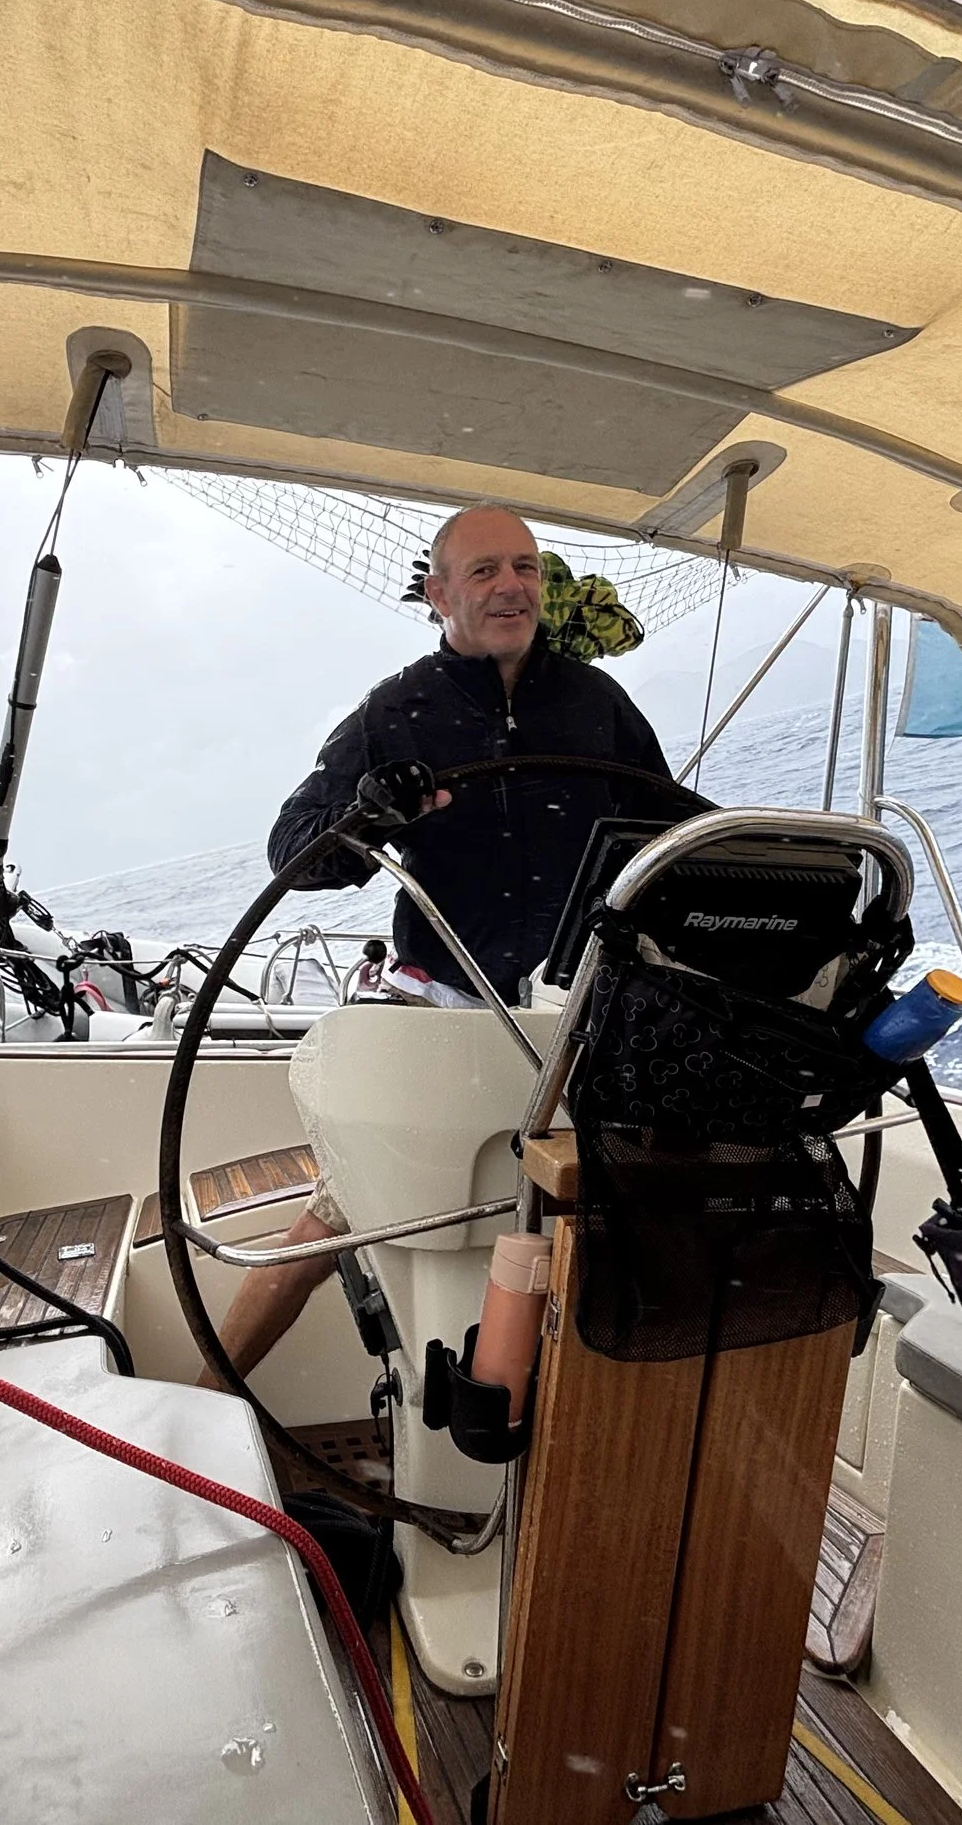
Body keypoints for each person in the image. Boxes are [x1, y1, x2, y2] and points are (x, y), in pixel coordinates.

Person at [206, 504, 672, 1384]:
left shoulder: (596, 702)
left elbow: (668, 829)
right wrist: (370, 815)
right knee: (333, 1219)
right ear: (438, 594)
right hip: (446, 1018)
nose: (511, 586)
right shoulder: (396, 710)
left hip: (580, 1016)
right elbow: (292, 850)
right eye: (485, 570)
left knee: (603, 1217)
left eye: (525, 567)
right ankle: (203, 1400)